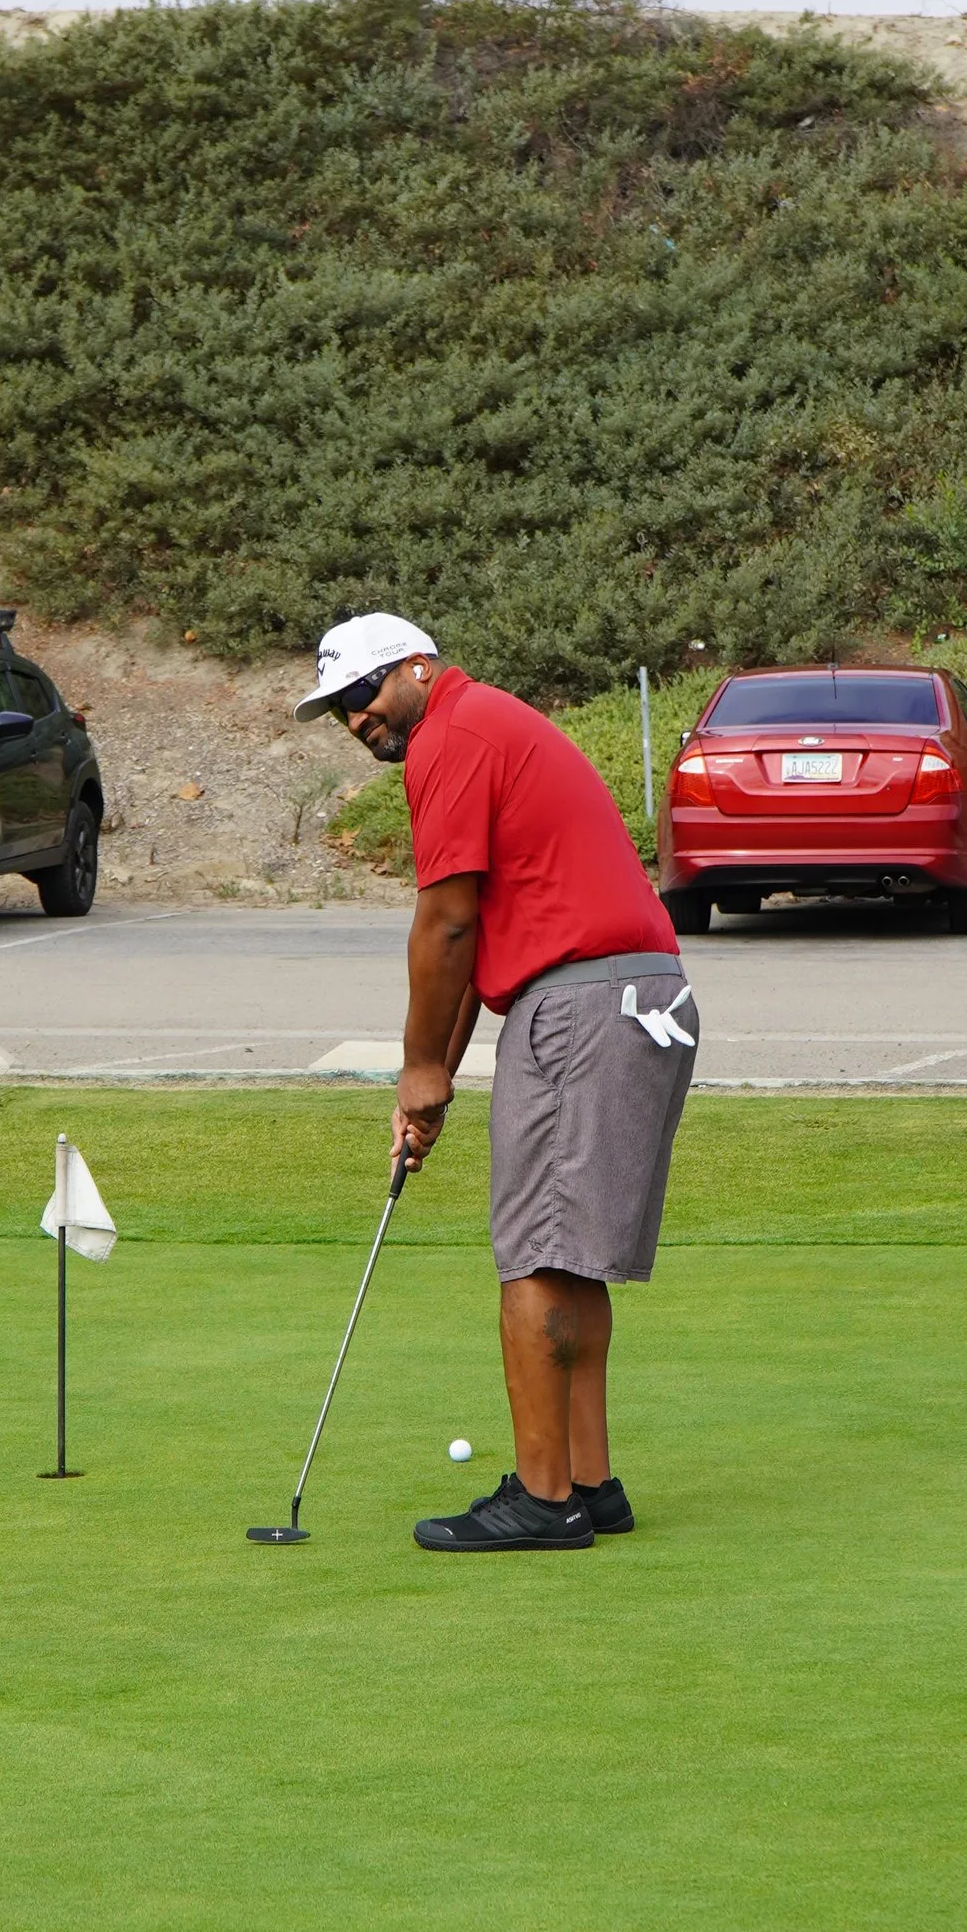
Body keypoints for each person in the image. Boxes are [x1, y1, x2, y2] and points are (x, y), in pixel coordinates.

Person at [299, 611, 698, 1553]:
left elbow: (443, 920)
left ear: (417, 669)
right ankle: (589, 1484)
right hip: (638, 998)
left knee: (533, 1256)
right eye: (340, 711)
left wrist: (419, 1067)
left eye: (362, 696)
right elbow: (479, 937)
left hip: (584, 1006)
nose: (356, 721)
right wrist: (436, 1076)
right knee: (572, 1255)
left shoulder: (454, 736)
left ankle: (543, 1498)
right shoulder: (490, 726)